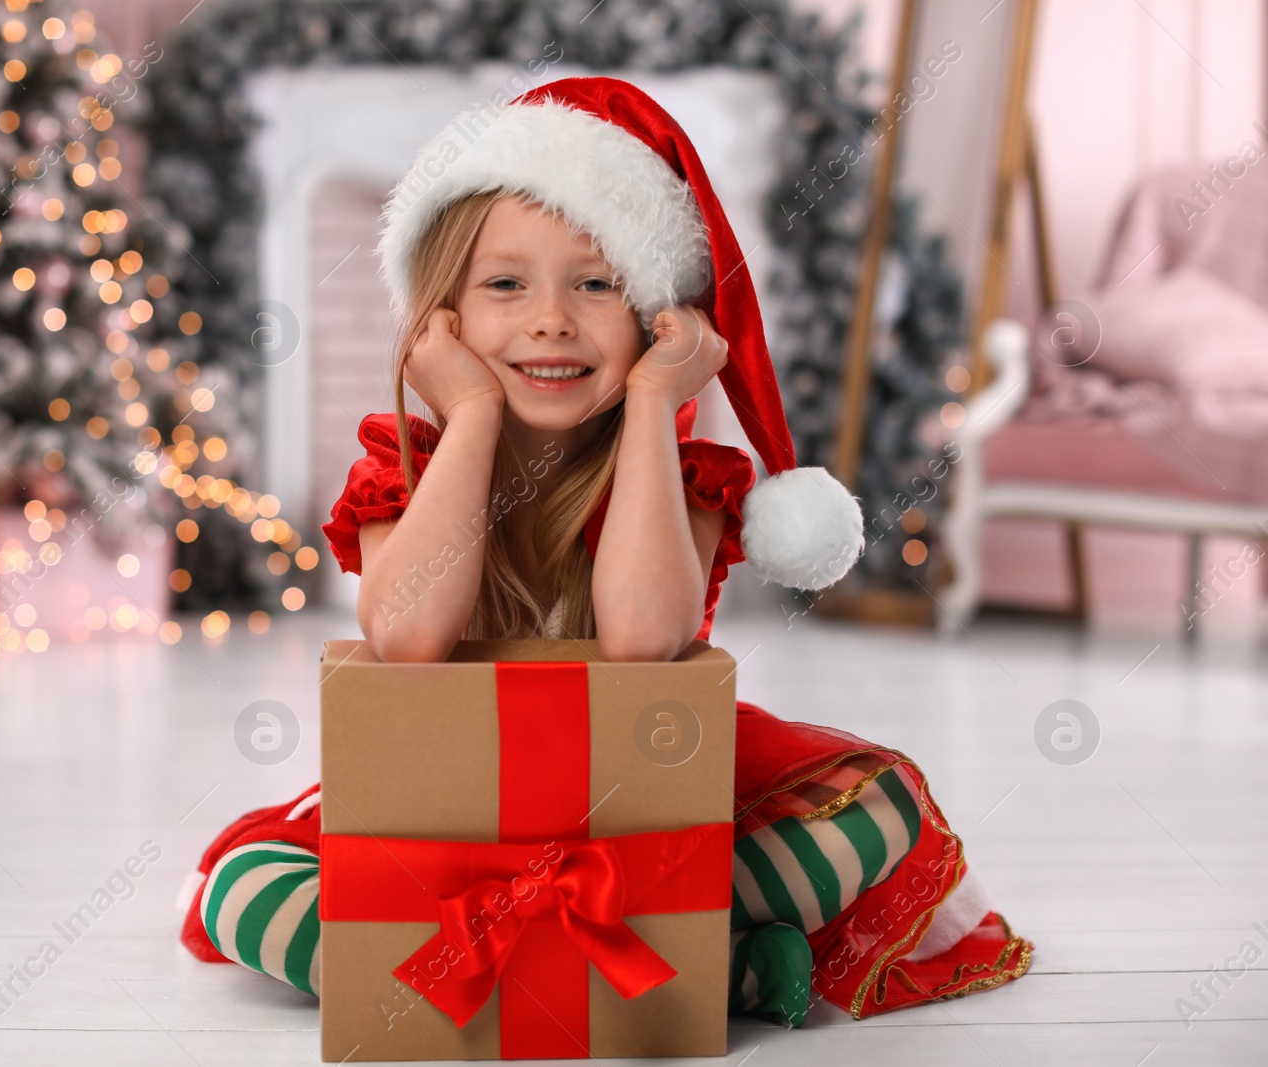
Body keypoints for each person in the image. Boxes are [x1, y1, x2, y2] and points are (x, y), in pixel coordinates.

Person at [178, 76, 1030, 1025]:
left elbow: (640, 640)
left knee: (880, 808)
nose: (551, 319)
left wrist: (657, 403)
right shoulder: (403, 470)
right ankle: (708, 963)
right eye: (506, 285)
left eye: (596, 284)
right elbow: (409, 638)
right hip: (451, 814)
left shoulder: (686, 479)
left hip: (640, 816)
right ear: (442, 318)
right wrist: (471, 415)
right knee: (244, 885)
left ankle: (510, 966)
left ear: (654, 319)